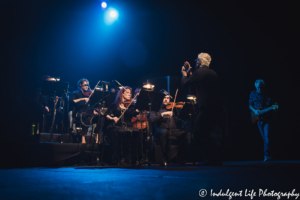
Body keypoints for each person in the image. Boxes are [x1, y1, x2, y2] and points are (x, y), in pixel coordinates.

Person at [181, 52, 223, 165]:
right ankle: (215, 159)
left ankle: (212, 159)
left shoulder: (199, 72)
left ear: (199, 62)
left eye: (196, 60)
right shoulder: (212, 73)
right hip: (216, 107)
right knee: (205, 133)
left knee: (198, 134)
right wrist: (191, 73)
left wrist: (184, 74)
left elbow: (185, 84)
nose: (195, 62)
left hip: (206, 108)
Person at [105, 86, 141, 165]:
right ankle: (119, 158)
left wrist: (138, 109)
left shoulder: (130, 106)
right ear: (122, 94)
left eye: (130, 93)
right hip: (115, 126)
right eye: (127, 93)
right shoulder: (115, 105)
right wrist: (112, 117)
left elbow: (134, 113)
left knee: (136, 132)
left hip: (128, 126)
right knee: (120, 132)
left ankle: (134, 158)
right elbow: (107, 114)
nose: (130, 94)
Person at [150, 94, 187, 165]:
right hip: (160, 129)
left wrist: (182, 117)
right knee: (164, 132)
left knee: (185, 134)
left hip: (173, 130)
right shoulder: (156, 108)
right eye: (164, 97)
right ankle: (165, 157)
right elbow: (152, 120)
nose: (166, 99)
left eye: (168, 98)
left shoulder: (173, 108)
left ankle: (179, 157)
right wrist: (161, 115)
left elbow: (177, 121)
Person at [249, 79, 275, 161]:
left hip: (267, 118)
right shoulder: (253, 93)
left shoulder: (268, 94)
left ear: (264, 87)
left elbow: (275, 105)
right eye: (258, 87)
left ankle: (266, 155)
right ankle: (268, 154)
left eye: (261, 87)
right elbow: (250, 105)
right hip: (258, 118)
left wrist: (274, 109)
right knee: (264, 137)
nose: (259, 89)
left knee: (267, 137)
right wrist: (255, 111)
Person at [69, 78, 99, 143]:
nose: (87, 86)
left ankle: (97, 136)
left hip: (89, 112)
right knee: (88, 117)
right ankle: (83, 136)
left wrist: (94, 110)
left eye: (88, 85)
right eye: (85, 85)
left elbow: (91, 105)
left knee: (100, 117)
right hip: (79, 113)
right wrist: (82, 99)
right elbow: (71, 101)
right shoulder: (75, 93)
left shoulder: (89, 94)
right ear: (80, 85)